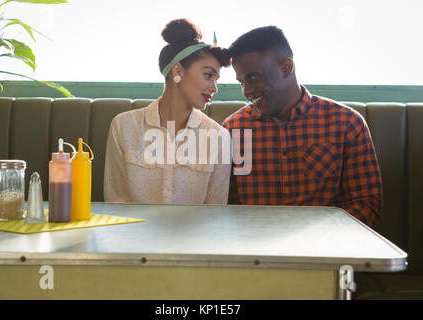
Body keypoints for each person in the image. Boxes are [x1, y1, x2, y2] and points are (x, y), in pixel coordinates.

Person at [222, 26, 383, 228]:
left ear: (286, 68)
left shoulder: (347, 123)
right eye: (241, 82)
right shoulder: (232, 129)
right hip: (255, 253)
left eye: (253, 77)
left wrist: (315, 240)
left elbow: (367, 205)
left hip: (326, 253)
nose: (246, 90)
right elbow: (225, 205)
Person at [104, 19, 231, 204]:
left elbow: (215, 215)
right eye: (208, 75)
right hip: (135, 233)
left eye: (216, 79)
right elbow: (116, 201)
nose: (214, 88)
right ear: (177, 69)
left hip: (196, 234)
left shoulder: (219, 138)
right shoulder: (123, 127)